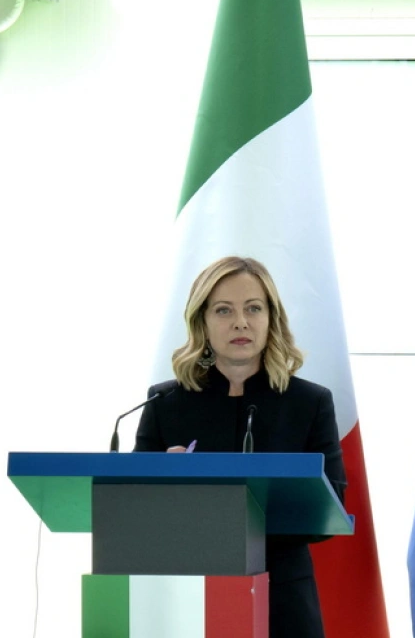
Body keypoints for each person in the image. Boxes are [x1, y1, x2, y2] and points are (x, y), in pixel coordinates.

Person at [135, 256, 346, 638]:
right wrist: (163, 482)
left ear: (271, 318)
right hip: (187, 598)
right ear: (201, 321)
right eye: (223, 310)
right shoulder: (164, 404)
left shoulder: (309, 402)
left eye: (253, 308)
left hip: (283, 603)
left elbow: (331, 508)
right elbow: (133, 510)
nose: (240, 322)